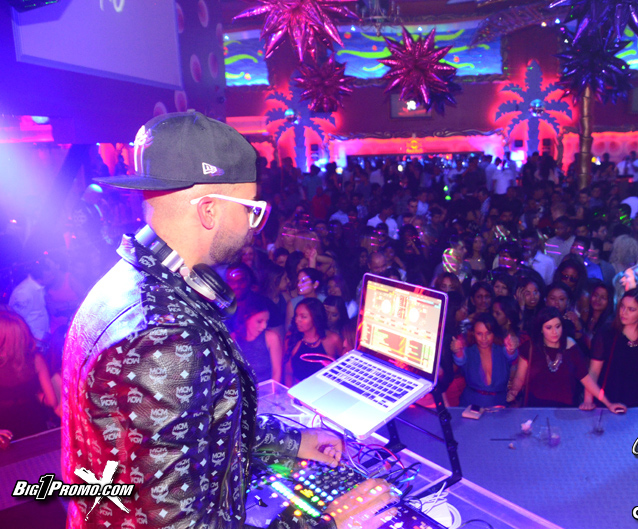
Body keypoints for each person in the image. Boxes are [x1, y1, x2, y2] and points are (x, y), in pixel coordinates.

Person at [62, 112, 393, 529]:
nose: (254, 228)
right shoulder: (163, 336)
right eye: (251, 210)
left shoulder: (129, 284)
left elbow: (203, 426)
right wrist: (326, 523)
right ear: (209, 210)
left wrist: (293, 443)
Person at [511, 307, 625, 411]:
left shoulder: (570, 346)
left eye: (558, 326)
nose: (555, 332)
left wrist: (608, 403)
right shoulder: (530, 347)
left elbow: (587, 380)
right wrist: (514, 391)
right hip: (536, 409)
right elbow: (520, 378)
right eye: (549, 328)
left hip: (565, 411)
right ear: (541, 329)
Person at [0, 310, 59, 437]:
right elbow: (52, 401)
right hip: (35, 426)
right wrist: (36, 395)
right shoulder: (36, 359)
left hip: (5, 434)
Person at [450, 313, 519, 408]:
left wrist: (512, 347)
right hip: (470, 406)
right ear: (473, 333)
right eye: (479, 334)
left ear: (494, 333)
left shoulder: (502, 350)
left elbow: (511, 355)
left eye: (488, 333)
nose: (484, 338)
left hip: (499, 406)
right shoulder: (468, 351)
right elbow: (460, 360)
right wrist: (457, 350)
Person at [285, 297, 343, 385]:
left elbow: (346, 368)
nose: (297, 320)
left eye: (303, 317)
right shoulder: (292, 337)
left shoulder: (333, 340)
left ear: (315, 318)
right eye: (296, 315)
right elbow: (288, 373)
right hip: (299, 390)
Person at [232, 294, 283, 383]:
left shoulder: (271, 338)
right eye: (259, 321)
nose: (264, 326)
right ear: (246, 318)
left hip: (266, 390)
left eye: (266, 321)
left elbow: (277, 372)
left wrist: (270, 391)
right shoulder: (233, 338)